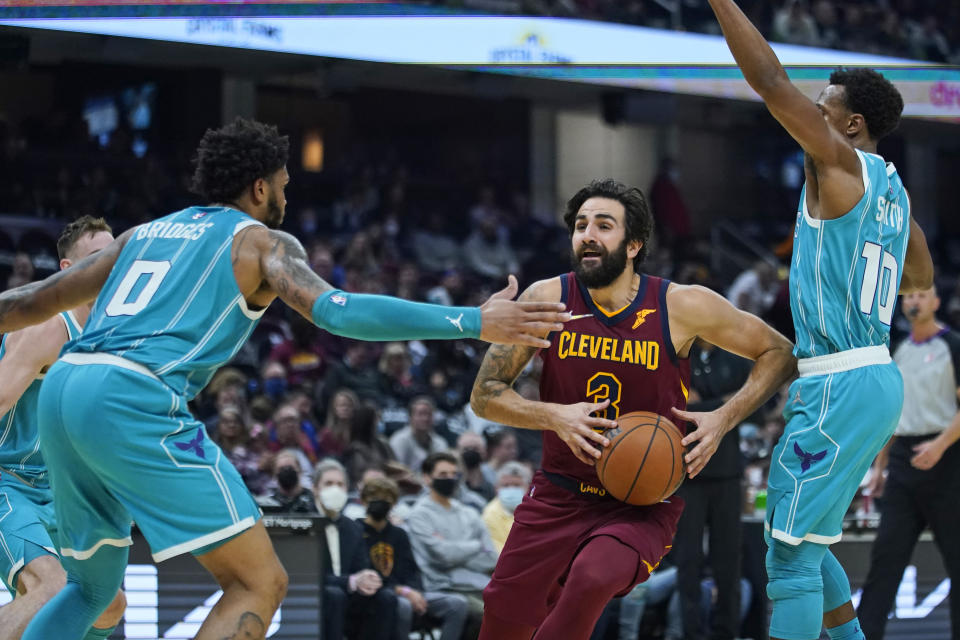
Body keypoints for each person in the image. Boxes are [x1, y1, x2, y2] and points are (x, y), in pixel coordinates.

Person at [0, 117, 571, 640]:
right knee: (259, 584)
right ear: (258, 188)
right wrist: (473, 319)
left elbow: (33, 301)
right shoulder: (260, 242)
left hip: (64, 391)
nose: (286, 197)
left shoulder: (142, 233)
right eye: (284, 185)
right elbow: (339, 310)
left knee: (92, 590)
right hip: (130, 394)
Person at [470, 178, 796, 640]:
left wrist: (723, 419)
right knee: (502, 614)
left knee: (593, 575)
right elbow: (485, 395)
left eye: (604, 225)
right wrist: (555, 415)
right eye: (581, 225)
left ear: (633, 244)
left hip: (639, 501)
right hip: (559, 492)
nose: (588, 234)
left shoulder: (681, 305)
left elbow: (779, 352)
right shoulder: (547, 299)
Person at [705, 3, 935, 640]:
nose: (812, 108)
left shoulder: (838, 163)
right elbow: (920, 277)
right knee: (807, 539)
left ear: (850, 123)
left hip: (840, 381)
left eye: (824, 103)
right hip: (869, 377)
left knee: (789, 557)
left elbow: (771, 84)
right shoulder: (895, 189)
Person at [0, 217, 126, 640]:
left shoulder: (114, 338)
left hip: (62, 495)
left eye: (116, 257)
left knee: (108, 604)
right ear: (69, 269)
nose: (111, 267)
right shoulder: (49, 325)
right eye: (98, 258)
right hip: (10, 483)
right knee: (51, 587)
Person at [858, 285, 960, 639]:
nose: (914, 301)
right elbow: (892, 414)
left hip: (948, 458)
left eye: (922, 294)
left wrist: (941, 444)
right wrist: (880, 467)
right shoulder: (897, 350)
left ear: (936, 301)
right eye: (908, 295)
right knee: (885, 562)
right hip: (903, 462)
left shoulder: (953, 345)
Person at [671, 340, 753, 640]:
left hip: (728, 472)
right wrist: (726, 403)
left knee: (729, 561)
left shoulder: (736, 358)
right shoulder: (676, 357)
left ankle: (726, 632)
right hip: (687, 471)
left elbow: (755, 407)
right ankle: (690, 633)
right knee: (687, 561)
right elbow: (675, 408)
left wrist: (701, 403)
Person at [358, 476, 469, 640]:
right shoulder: (356, 530)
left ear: (395, 503)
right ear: (364, 501)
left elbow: (411, 571)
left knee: (457, 604)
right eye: (375, 497)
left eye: (387, 498)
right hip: (378, 594)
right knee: (403, 605)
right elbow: (364, 572)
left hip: (409, 592)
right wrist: (404, 592)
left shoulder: (399, 534)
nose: (381, 502)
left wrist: (415, 592)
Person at [407, 452, 499, 640]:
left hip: (478, 584)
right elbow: (442, 556)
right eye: (442, 475)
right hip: (443, 586)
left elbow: (491, 557)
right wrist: (475, 546)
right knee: (487, 615)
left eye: (453, 474)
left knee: (518, 610)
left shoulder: (468, 513)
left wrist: (456, 551)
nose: (449, 479)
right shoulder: (419, 515)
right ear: (427, 477)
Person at [315, 458, 395, 640]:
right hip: (321, 594)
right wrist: (350, 581)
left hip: (349, 595)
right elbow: (310, 575)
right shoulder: (304, 524)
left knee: (386, 598)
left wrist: (369, 578)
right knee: (335, 596)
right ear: (315, 489)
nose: (335, 489)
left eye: (340, 484)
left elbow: (362, 566)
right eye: (328, 483)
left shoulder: (353, 528)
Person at [481, 461, 531, 553]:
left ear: (527, 487)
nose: (511, 489)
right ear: (496, 488)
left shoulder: (536, 510)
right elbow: (496, 551)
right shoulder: (490, 514)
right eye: (505, 485)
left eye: (516, 485)